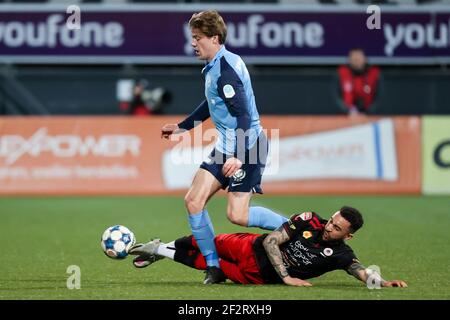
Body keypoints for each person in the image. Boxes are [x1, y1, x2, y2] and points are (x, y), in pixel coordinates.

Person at [160, 10, 288, 284]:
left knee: (237, 216)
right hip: (228, 146)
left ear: (214, 37)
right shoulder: (217, 64)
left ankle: (295, 229)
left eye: (197, 38)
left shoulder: (226, 70)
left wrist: (239, 157)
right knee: (194, 201)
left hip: (249, 146)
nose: (193, 44)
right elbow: (212, 102)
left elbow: (242, 115)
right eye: (192, 38)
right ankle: (214, 267)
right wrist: (183, 127)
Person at [129, 206, 407, 288]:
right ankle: (162, 245)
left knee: (205, 264)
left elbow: (357, 269)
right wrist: (286, 276)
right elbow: (273, 240)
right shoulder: (308, 220)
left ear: (348, 236)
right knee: (207, 244)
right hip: (251, 247)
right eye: (332, 220)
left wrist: (381, 282)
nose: (329, 227)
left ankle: (159, 250)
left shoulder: (341, 254)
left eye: (336, 228)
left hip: (258, 277)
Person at [335, 48, 382, 116]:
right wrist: (348, 111)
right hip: (346, 116)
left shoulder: (374, 73)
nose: (356, 60)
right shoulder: (342, 73)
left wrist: (368, 112)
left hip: (370, 116)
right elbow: (336, 97)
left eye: (359, 58)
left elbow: (380, 97)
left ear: (365, 59)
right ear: (349, 60)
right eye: (354, 58)